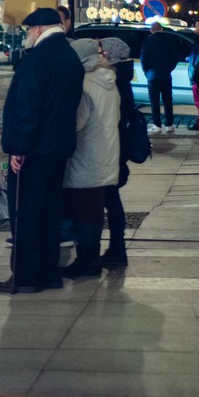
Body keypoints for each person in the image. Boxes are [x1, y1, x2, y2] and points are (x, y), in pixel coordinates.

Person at [0, 7, 84, 294]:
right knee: (50, 212)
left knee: (27, 213)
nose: (27, 35)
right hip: (59, 147)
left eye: (29, 30)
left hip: (34, 149)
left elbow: (28, 107)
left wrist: (18, 149)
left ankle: (25, 276)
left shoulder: (38, 58)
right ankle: (49, 273)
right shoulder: (70, 56)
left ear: (38, 29)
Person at [60, 39, 120, 279]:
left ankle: (87, 261)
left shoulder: (85, 83)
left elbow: (77, 122)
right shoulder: (108, 79)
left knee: (84, 211)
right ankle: (91, 258)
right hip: (105, 154)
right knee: (94, 211)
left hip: (86, 156)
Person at [100, 37, 135, 267]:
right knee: (111, 198)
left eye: (103, 51)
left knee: (110, 198)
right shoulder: (121, 78)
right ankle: (117, 248)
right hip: (116, 146)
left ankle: (118, 249)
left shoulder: (117, 80)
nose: (100, 55)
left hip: (113, 146)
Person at [140, 21, 177, 134]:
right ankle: (169, 124)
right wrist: (169, 69)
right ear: (161, 29)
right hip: (165, 74)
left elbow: (143, 58)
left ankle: (157, 125)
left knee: (154, 101)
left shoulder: (147, 41)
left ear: (151, 30)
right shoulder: (169, 40)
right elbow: (175, 57)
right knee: (167, 100)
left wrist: (147, 72)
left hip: (152, 75)